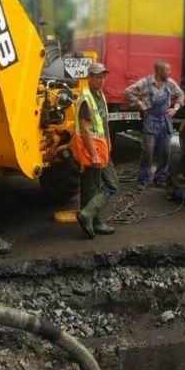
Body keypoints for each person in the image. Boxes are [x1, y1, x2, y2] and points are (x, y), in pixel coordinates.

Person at [70, 63, 118, 239]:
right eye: (97, 76)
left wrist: (108, 146)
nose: (101, 80)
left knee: (95, 187)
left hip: (102, 148)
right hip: (92, 150)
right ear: (89, 77)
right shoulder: (86, 98)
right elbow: (84, 129)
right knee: (106, 184)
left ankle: (93, 220)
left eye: (103, 76)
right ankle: (88, 216)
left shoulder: (98, 95)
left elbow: (103, 125)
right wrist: (94, 153)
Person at [124, 61, 185, 187]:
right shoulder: (145, 83)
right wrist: (139, 103)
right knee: (148, 152)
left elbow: (180, 94)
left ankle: (160, 178)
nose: (170, 73)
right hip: (150, 119)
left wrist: (176, 108)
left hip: (166, 120)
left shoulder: (170, 83)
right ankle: (143, 179)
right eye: (167, 71)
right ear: (158, 71)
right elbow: (128, 92)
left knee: (165, 151)